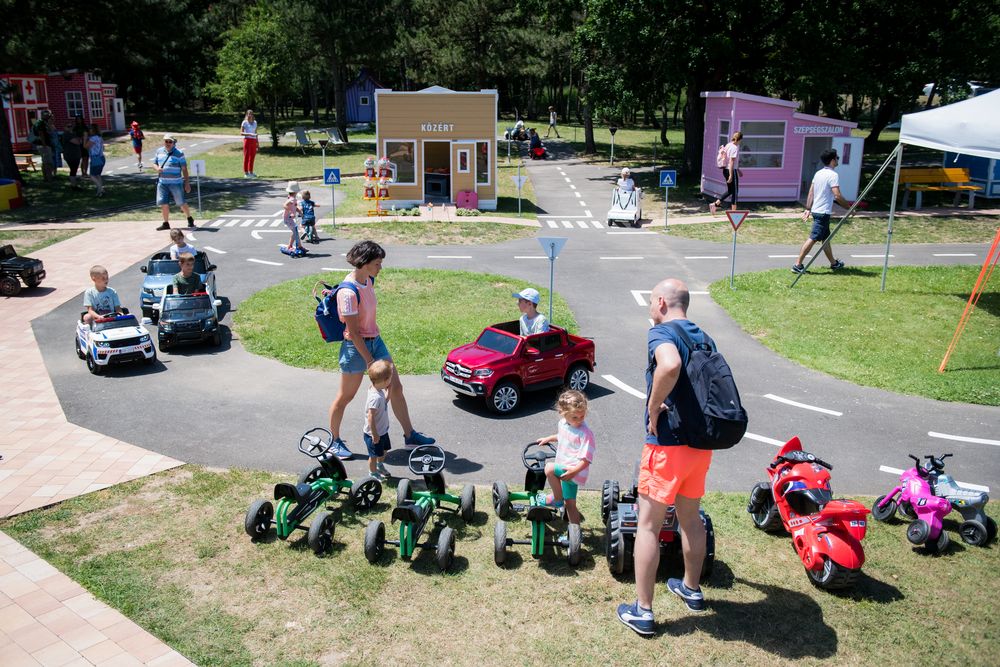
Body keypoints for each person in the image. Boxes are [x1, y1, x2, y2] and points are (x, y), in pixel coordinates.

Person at [616, 278, 715, 636]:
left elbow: (669, 366)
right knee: (691, 519)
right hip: (699, 446)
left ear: (660, 301)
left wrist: (654, 406)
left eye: (649, 301)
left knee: (648, 526)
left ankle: (642, 611)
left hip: (667, 444)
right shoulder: (703, 336)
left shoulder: (662, 333)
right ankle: (691, 588)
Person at [327, 240, 436, 460]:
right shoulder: (347, 293)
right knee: (345, 396)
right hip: (355, 348)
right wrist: (370, 362)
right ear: (364, 263)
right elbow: (354, 333)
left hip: (376, 340)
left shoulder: (369, 280)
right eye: (377, 263)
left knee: (395, 387)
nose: (380, 267)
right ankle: (334, 441)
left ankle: (410, 435)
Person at [535, 390, 595, 527]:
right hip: (567, 470)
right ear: (563, 413)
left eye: (582, 416)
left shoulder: (585, 433)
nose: (579, 420)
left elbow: (586, 459)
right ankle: (575, 534)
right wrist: (548, 438)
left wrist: (573, 471)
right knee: (570, 505)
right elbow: (563, 435)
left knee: (549, 468)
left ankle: (556, 499)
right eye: (575, 417)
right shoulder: (563, 424)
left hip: (573, 471)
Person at [793, 148, 850, 274]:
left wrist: (808, 208)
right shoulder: (833, 175)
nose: (838, 160)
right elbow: (837, 196)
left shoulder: (818, 173)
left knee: (826, 239)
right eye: (837, 158)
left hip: (817, 211)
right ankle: (798, 265)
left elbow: (811, 192)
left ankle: (834, 264)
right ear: (832, 160)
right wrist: (849, 208)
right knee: (813, 238)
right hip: (823, 212)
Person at [153, 134, 194, 231]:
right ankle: (166, 223)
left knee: (181, 202)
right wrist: (157, 168)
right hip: (162, 182)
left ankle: (189, 217)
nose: (167, 143)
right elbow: (154, 163)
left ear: (173, 142)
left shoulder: (179, 153)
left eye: (170, 141)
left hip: (176, 183)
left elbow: (184, 169)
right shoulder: (159, 151)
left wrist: (187, 183)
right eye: (166, 141)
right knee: (163, 202)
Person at [363, 359, 394, 481]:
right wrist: (374, 434)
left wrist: (389, 391)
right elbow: (371, 416)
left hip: (382, 431)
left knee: (385, 449)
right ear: (386, 380)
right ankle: (373, 473)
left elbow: (385, 402)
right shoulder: (375, 397)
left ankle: (379, 466)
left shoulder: (377, 389)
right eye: (390, 377)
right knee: (373, 455)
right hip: (374, 434)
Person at [709, 131, 743, 214]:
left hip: (725, 170)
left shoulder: (728, 145)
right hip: (731, 171)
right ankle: (733, 212)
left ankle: (715, 204)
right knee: (735, 191)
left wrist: (738, 170)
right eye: (741, 140)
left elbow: (728, 160)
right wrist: (732, 175)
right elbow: (731, 162)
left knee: (730, 190)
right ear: (739, 139)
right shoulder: (734, 147)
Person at [31, 110, 55, 182]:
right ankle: (49, 178)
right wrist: (44, 144)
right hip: (43, 145)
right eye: (46, 115)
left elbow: (51, 130)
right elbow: (41, 133)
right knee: (47, 162)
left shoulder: (44, 123)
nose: (48, 116)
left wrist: (51, 121)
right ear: (43, 115)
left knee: (45, 162)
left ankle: (46, 177)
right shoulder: (40, 123)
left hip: (44, 144)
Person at [84, 124, 106, 197]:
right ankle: (99, 191)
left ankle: (101, 188)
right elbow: (103, 147)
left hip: (95, 158)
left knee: (92, 176)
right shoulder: (100, 137)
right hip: (102, 157)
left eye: (90, 129)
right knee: (98, 175)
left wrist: (85, 138)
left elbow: (85, 146)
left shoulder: (92, 138)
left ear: (93, 130)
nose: (88, 130)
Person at [283, 181, 304, 253]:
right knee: (295, 232)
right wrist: (291, 212)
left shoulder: (293, 199)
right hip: (288, 218)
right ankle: (297, 246)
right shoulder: (291, 199)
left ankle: (292, 246)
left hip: (289, 219)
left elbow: (295, 207)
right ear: (295, 192)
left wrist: (300, 212)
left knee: (295, 232)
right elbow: (284, 205)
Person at [61, 121, 83, 188]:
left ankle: (74, 184)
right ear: (64, 127)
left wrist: (79, 139)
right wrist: (79, 139)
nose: (70, 128)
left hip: (76, 154)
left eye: (71, 126)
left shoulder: (73, 134)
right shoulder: (66, 134)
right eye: (68, 126)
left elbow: (80, 141)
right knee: (73, 170)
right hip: (70, 155)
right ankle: (73, 185)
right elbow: (77, 142)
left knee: (74, 169)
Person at [241, 110, 258, 178]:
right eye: (248, 114)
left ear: (252, 115)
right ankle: (246, 172)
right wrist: (249, 134)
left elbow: (256, 133)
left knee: (252, 157)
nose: (249, 115)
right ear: (247, 115)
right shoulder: (244, 122)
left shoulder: (255, 122)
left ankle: (251, 172)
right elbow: (241, 133)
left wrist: (257, 143)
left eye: (251, 114)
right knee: (246, 156)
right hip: (247, 140)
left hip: (253, 140)